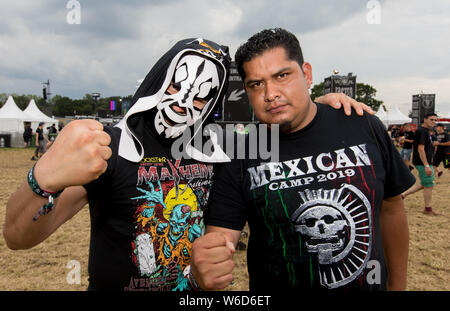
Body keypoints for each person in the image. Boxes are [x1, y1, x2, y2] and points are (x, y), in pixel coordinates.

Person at [3, 37, 371, 291]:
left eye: (202, 94)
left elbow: (291, 129)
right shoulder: (113, 146)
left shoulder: (222, 145)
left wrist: (321, 105)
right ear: (159, 79)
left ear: (212, 103)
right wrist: (42, 180)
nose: (185, 102)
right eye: (179, 85)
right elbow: (18, 238)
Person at [190, 28, 415, 291]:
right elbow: (220, 240)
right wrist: (205, 268)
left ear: (306, 74)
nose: (270, 93)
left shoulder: (362, 125)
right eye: (256, 84)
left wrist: (397, 286)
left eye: (282, 75)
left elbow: (391, 209)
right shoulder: (241, 154)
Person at [401, 113, 438, 214]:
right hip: (422, 163)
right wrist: (426, 165)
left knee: (424, 183)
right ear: (425, 119)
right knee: (429, 184)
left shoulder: (426, 131)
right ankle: (428, 209)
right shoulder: (422, 131)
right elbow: (420, 149)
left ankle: (402, 195)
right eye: (431, 119)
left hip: (425, 162)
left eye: (435, 120)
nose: (434, 122)